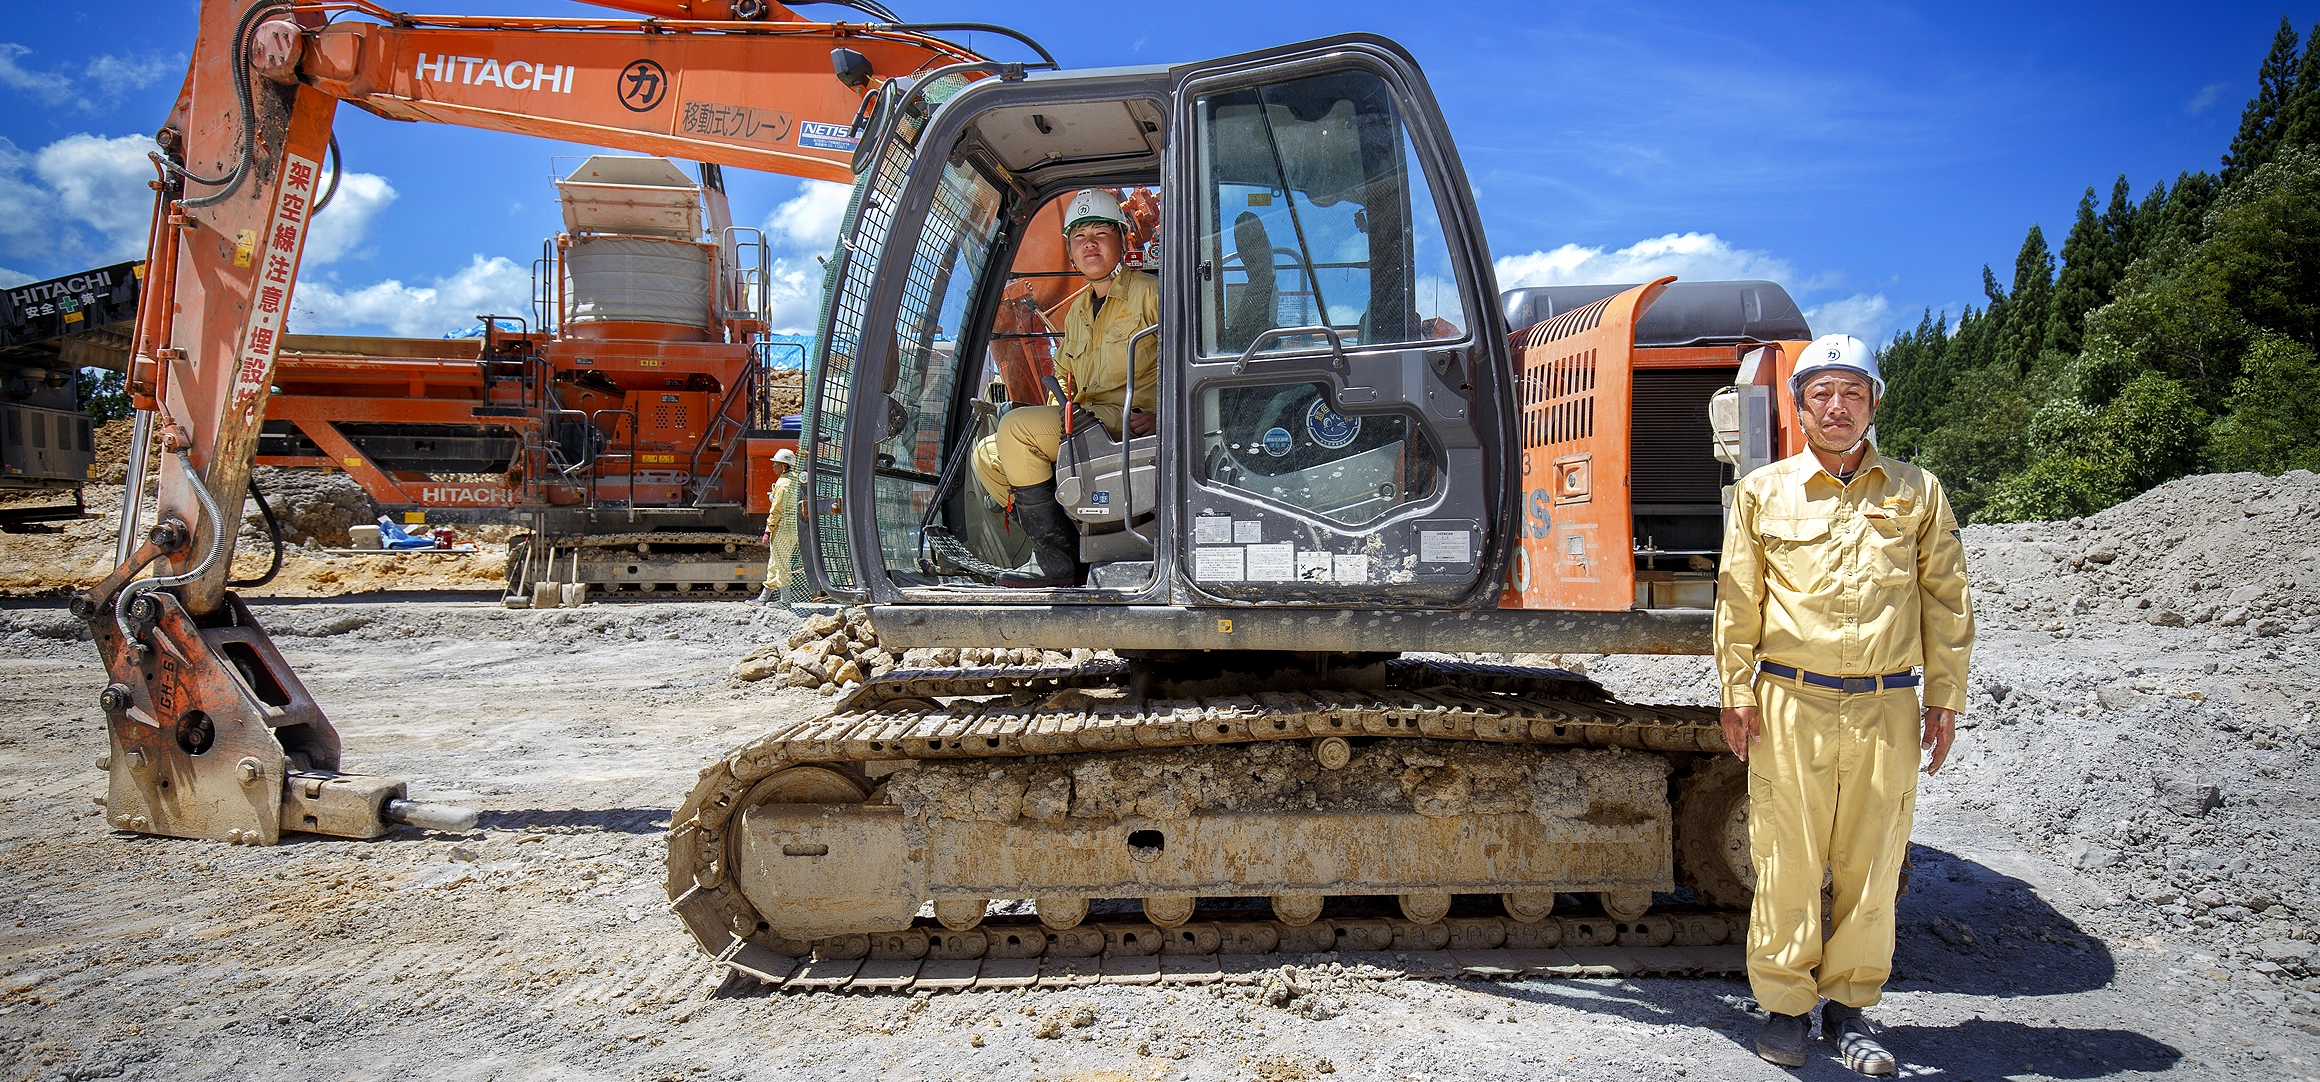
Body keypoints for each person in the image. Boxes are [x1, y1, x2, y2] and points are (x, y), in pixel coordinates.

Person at [1713, 333, 1974, 1075]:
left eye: (1851, 393)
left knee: (1873, 861)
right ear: (1798, 408)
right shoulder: (1764, 492)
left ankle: (1851, 1009)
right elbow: (1739, 600)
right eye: (1821, 393)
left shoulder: (1917, 492)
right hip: (1789, 700)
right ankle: (1786, 1006)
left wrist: (1944, 697)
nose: (1836, 406)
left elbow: (1946, 601)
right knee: (1787, 860)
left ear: (1874, 404)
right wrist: (1736, 690)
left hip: (1887, 705)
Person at [970, 188, 1160, 588]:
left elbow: (1182, 360)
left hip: (1122, 420)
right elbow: (1064, 376)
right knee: (987, 453)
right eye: (1079, 236)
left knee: (1016, 430)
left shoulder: (1150, 294)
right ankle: (1070, 547)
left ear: (1122, 240)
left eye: (1100, 233)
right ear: (1071, 251)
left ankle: (1057, 568)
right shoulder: (1076, 311)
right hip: (1083, 420)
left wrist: (1163, 413)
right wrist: (1057, 401)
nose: (1089, 243)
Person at [751, 448, 799, 605]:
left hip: (782, 528)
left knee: (781, 564)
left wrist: (768, 530)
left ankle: (785, 601)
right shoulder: (796, 480)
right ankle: (763, 598)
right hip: (793, 528)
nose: (773, 467)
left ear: (784, 466)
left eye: (776, 464)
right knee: (775, 562)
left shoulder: (782, 483)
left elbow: (776, 510)